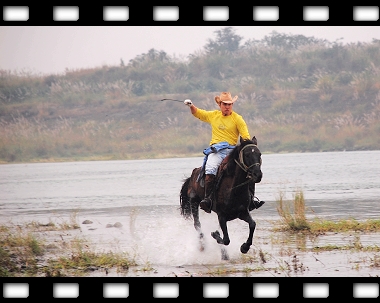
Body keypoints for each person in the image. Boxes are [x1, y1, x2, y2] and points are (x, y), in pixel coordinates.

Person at [184, 92, 261, 213]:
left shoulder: (237, 119)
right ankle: (208, 199)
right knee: (210, 168)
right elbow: (198, 113)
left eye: (230, 104)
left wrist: (248, 145)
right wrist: (191, 106)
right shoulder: (214, 115)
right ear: (220, 104)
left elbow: (245, 136)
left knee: (248, 170)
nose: (227, 106)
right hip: (217, 151)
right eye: (225, 104)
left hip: (232, 151)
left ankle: (251, 199)